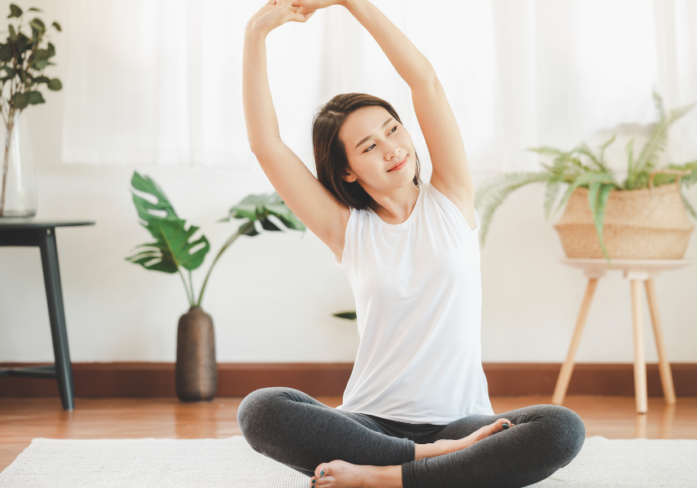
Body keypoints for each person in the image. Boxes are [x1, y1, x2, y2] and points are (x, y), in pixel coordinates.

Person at [238, 1, 585, 486]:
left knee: (561, 429)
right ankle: (427, 461)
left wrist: (350, 2)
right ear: (346, 172)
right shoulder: (346, 229)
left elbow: (425, 81)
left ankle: (382, 478)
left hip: (461, 420)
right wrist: (256, 33)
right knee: (260, 410)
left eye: (392, 129)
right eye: (368, 147)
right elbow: (266, 144)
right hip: (369, 422)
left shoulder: (451, 198)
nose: (392, 148)